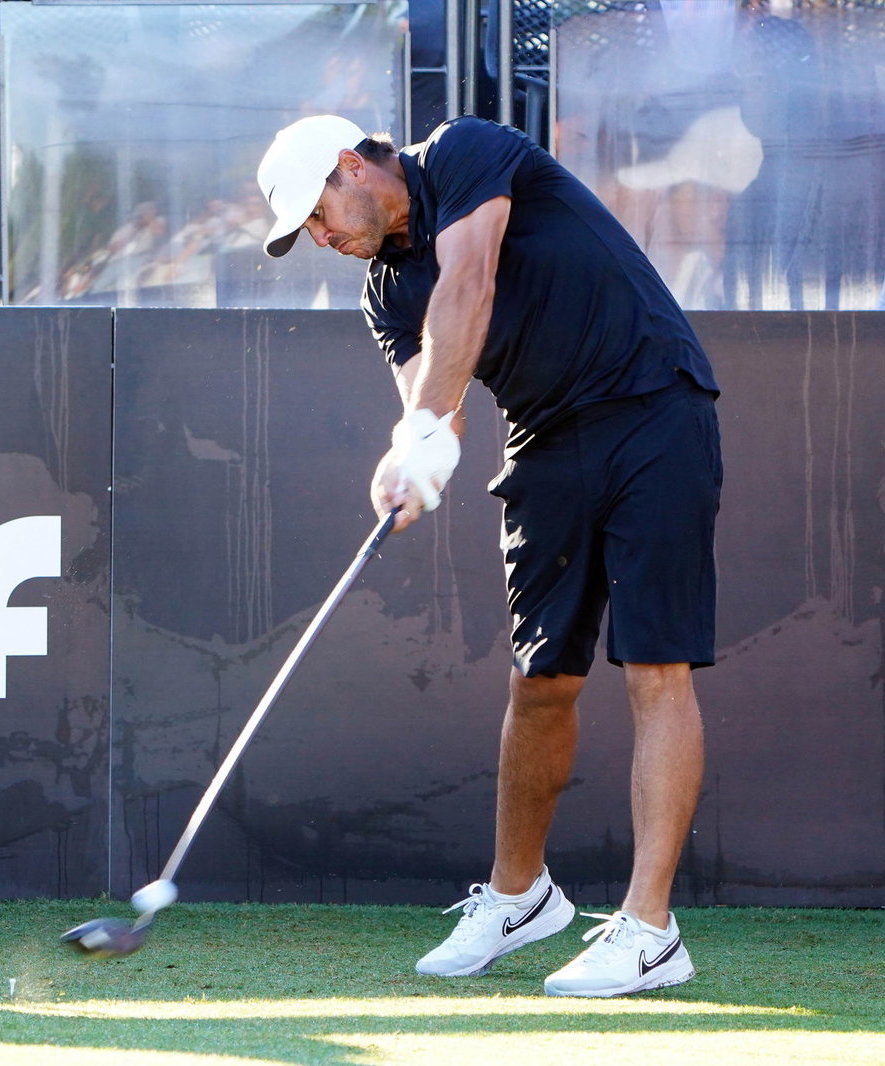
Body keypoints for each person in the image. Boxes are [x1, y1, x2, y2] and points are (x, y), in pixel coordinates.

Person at [255, 114, 721, 998]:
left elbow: (467, 283)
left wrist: (424, 425)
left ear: (353, 167)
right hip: (547, 443)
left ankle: (651, 930)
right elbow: (441, 405)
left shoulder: (465, 152)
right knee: (539, 680)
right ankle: (521, 896)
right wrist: (412, 466)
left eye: (318, 215)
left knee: (656, 668)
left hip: (653, 403)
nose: (321, 238)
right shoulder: (384, 292)